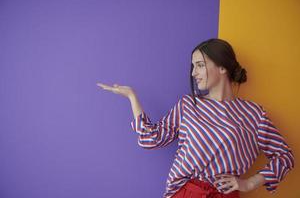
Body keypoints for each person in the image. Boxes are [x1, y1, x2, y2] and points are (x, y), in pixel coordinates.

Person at [96, 38, 294, 198]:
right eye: (193, 66)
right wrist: (132, 97)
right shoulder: (189, 105)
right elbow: (151, 139)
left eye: (199, 65)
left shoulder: (254, 114)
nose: (193, 73)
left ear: (223, 68)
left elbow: (285, 157)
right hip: (185, 192)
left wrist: (250, 183)